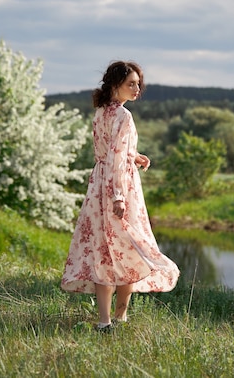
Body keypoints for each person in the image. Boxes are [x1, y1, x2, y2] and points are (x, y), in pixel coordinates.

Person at [61, 60, 179, 331]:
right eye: (131, 84)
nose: (137, 89)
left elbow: (110, 152)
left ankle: (105, 323)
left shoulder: (101, 111)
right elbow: (114, 157)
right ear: (116, 85)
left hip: (99, 184)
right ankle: (120, 319)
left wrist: (134, 156)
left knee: (104, 252)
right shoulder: (123, 116)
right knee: (128, 250)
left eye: (138, 84)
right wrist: (119, 197)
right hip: (119, 186)